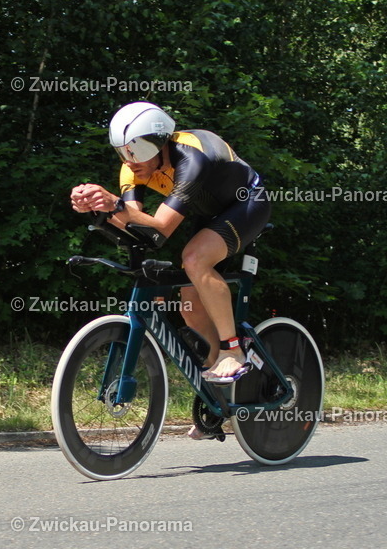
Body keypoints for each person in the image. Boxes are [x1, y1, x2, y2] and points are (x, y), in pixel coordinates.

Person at [69, 101, 270, 393]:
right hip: (209, 213)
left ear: (160, 142)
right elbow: (138, 229)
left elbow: (161, 226)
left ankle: (233, 350)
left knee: (194, 258)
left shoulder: (191, 158)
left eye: (136, 150)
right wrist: (96, 209)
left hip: (248, 203)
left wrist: (114, 205)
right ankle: (217, 390)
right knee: (189, 304)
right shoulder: (132, 168)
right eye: (122, 151)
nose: (129, 160)